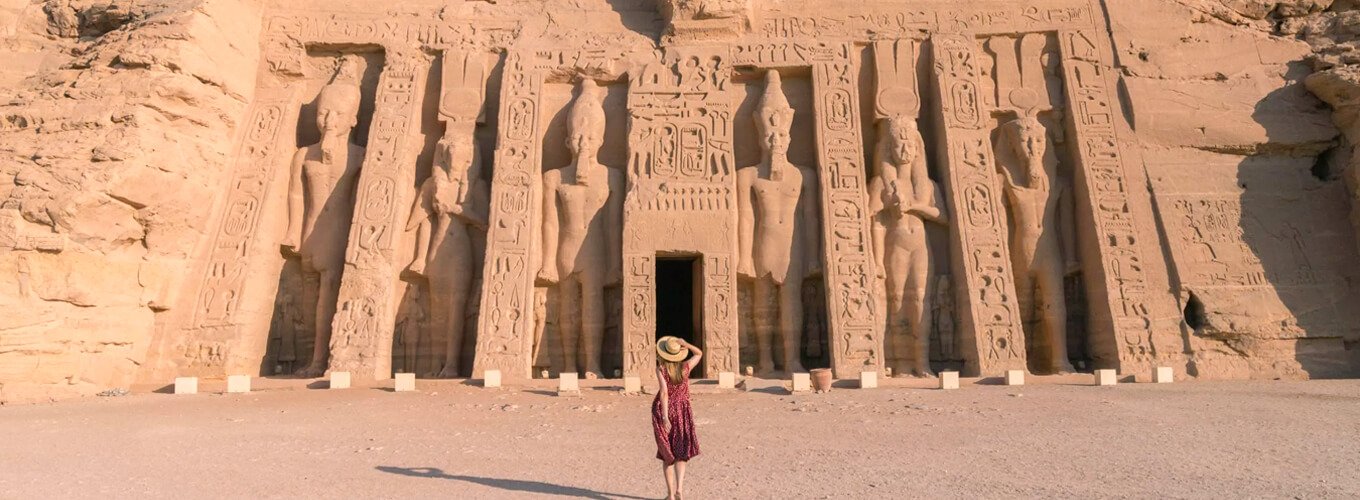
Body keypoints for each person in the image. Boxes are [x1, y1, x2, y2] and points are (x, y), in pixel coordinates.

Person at [653, 336, 702, 500]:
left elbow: (664, 393)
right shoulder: (685, 367)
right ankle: (680, 489)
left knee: (667, 453)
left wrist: (665, 417)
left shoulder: (661, 369)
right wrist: (686, 344)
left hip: (667, 410)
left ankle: (670, 495)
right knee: (681, 451)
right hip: (683, 409)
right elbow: (699, 354)